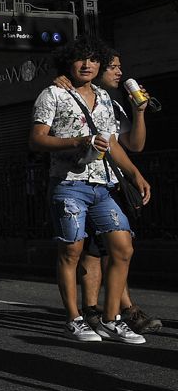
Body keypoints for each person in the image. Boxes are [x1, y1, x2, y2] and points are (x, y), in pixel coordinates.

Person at [29, 37, 151, 344]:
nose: (87, 65)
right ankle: (74, 319)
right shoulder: (53, 94)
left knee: (123, 248)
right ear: (68, 63)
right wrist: (77, 142)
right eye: (81, 59)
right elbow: (37, 139)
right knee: (71, 252)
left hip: (103, 185)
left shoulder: (105, 97)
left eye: (94, 60)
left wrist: (135, 173)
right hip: (69, 185)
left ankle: (112, 319)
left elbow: (112, 143)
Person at [53, 49, 162, 334]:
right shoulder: (69, 93)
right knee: (90, 248)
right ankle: (99, 311)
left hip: (109, 183)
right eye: (113, 67)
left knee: (114, 247)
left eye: (119, 66)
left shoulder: (109, 103)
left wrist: (139, 112)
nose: (119, 72)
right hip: (79, 182)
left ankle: (116, 311)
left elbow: (132, 144)